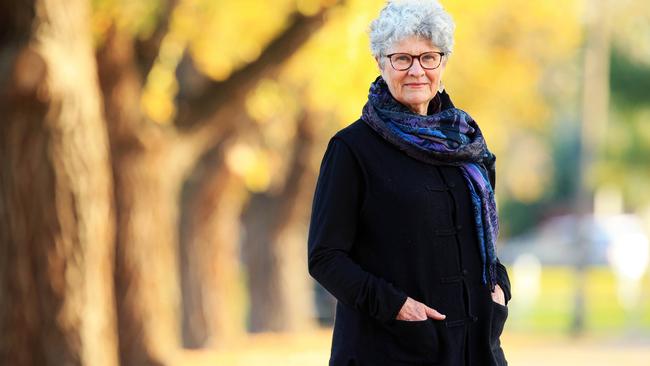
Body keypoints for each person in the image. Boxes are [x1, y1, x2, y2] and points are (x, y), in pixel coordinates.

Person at [307, 1, 511, 365]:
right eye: (402, 58)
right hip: (389, 350)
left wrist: (500, 288)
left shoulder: (466, 143)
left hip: (476, 349)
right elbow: (325, 257)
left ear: (443, 61)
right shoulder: (352, 149)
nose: (416, 71)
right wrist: (396, 306)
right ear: (381, 62)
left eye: (428, 57)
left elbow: (484, 243)